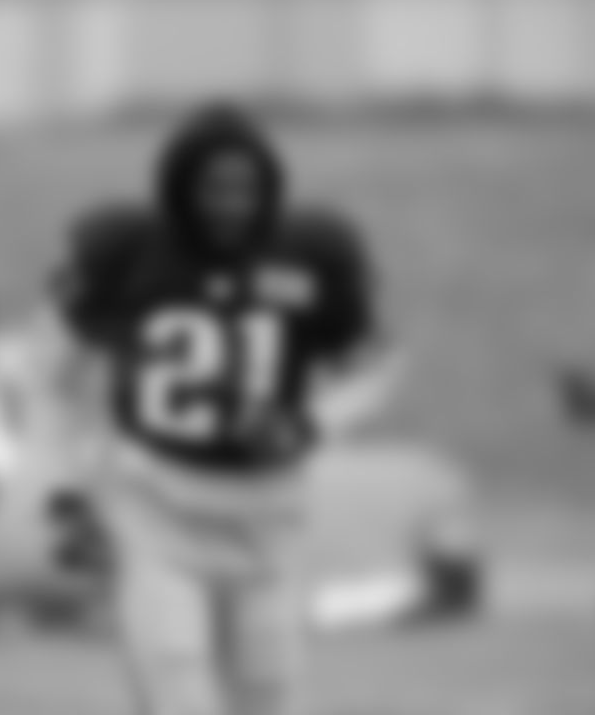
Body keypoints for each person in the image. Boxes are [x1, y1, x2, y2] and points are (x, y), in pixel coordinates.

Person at [46, 102, 397, 715]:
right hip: (156, 508)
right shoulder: (128, 249)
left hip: (269, 518)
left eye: (245, 188)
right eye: (214, 187)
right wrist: (75, 479)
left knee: (271, 692)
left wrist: (309, 424)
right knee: (175, 682)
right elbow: (52, 364)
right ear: (179, 187)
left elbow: (378, 361)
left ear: (270, 189)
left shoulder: (310, 252)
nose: (231, 204)